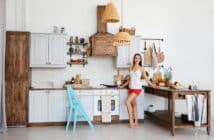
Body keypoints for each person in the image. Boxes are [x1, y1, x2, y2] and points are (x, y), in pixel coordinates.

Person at [119, 53, 156, 128]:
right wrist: (122, 86)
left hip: (137, 88)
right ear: (133, 59)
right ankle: (136, 121)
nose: (137, 59)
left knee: (127, 102)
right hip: (131, 88)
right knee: (134, 105)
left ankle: (131, 121)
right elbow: (129, 79)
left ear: (140, 60)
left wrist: (152, 84)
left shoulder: (141, 68)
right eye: (136, 58)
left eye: (138, 58)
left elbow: (146, 78)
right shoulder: (130, 68)